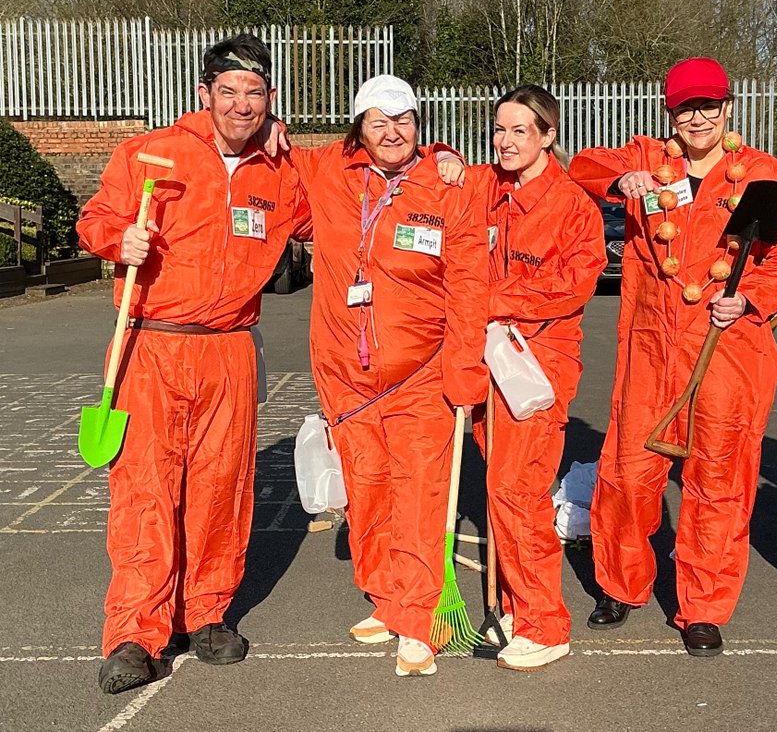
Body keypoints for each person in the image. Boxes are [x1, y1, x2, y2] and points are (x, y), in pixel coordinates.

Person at [76, 34, 310, 694]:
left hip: (230, 349)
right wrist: (115, 238)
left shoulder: (279, 175)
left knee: (220, 486)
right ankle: (134, 632)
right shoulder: (151, 153)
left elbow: (346, 209)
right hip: (150, 343)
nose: (241, 105)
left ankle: (206, 614)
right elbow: (95, 219)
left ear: (270, 100)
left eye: (254, 93)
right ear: (203, 93)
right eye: (229, 91)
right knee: (144, 488)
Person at [569, 56, 777, 657]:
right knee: (627, 471)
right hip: (650, 349)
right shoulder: (646, 159)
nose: (697, 117)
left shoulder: (764, 174)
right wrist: (620, 181)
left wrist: (751, 298)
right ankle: (621, 586)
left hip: (728, 347)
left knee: (720, 480)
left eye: (708, 105)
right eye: (685, 107)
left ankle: (702, 604)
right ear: (668, 111)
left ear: (727, 108)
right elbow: (580, 166)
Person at [286, 75, 488, 677]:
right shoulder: (328, 172)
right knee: (368, 490)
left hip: (420, 372)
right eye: (378, 121)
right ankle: (386, 595)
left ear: (420, 126)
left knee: (420, 493)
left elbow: (470, 283)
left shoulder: (448, 185)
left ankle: (419, 619)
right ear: (358, 128)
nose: (392, 132)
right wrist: (270, 129)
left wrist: (465, 364)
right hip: (346, 372)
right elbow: (267, 155)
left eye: (404, 120)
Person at [452, 84, 606, 670]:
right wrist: (443, 151)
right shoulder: (488, 186)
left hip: (537, 363)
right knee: (499, 487)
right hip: (487, 354)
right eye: (498, 129)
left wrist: (488, 298)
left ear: (549, 136)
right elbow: (441, 177)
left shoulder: (572, 206)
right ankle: (518, 602)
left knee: (518, 490)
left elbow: (571, 287)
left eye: (521, 130)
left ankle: (545, 623)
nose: (506, 141)